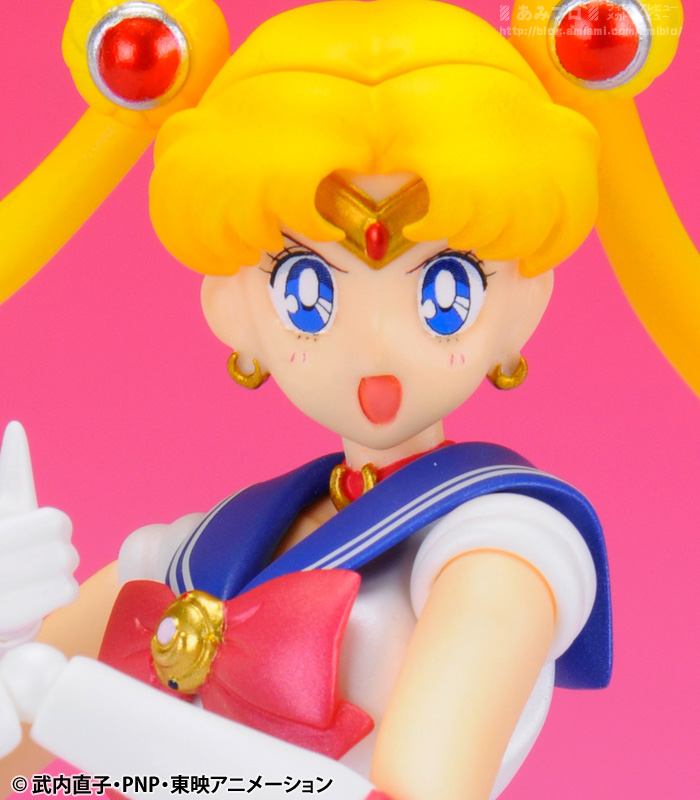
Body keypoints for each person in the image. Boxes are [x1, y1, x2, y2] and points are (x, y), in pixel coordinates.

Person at [0, 1, 696, 799]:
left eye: (445, 293)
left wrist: (121, 740)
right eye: (308, 293)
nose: (376, 345)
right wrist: (9, 645)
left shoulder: (500, 549)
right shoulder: (189, 552)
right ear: (233, 312)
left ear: (522, 311)